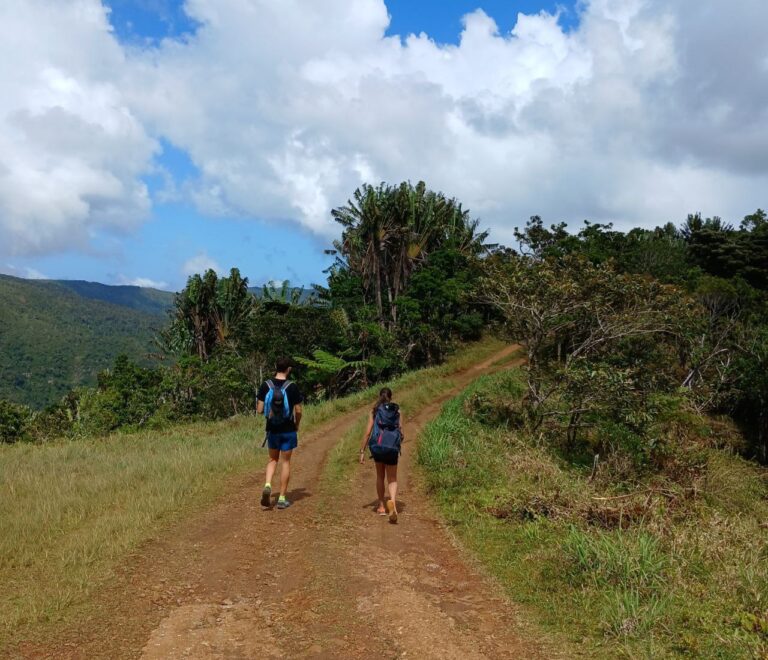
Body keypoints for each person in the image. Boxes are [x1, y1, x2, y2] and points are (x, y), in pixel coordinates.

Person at [256, 357, 303, 509]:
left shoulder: (266, 385)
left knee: (272, 459)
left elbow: (260, 410)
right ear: (288, 369)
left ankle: (268, 484)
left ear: (276, 367)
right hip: (288, 429)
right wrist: (296, 424)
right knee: (286, 462)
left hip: (272, 429)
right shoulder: (292, 387)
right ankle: (282, 498)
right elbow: (298, 410)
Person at [359, 387, 403, 523]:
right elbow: (400, 432)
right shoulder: (398, 411)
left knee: (380, 476)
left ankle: (381, 506)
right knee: (392, 479)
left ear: (380, 396)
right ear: (391, 397)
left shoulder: (374, 410)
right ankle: (393, 505)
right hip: (392, 448)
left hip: (378, 447)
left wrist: (362, 451)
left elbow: (367, 433)